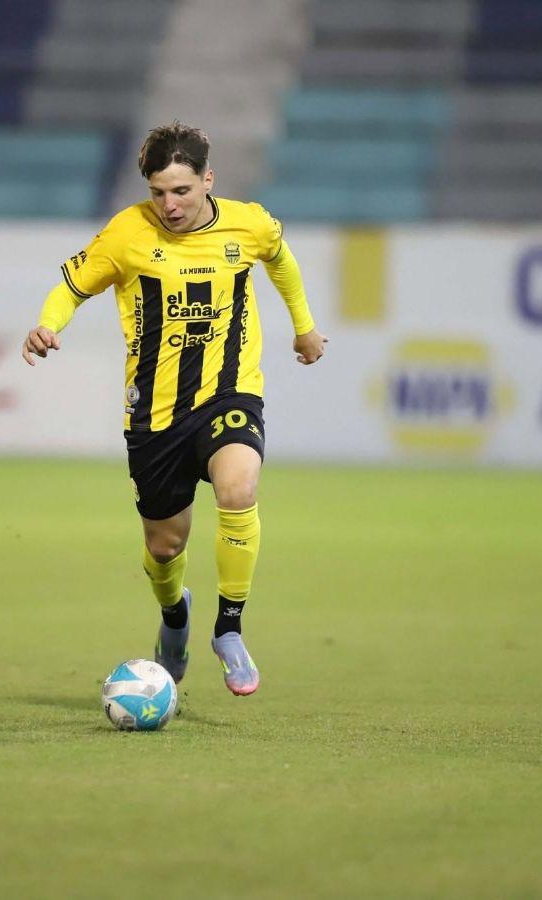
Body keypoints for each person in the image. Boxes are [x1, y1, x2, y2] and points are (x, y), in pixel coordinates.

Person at [22, 122, 327, 696]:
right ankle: (175, 615)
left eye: (182, 191)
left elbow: (281, 262)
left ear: (208, 180)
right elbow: (70, 287)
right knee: (166, 546)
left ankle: (229, 629)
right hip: (154, 414)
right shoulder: (126, 234)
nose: (169, 204)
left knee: (239, 487)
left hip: (229, 391)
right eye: (158, 191)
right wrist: (46, 324)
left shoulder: (249, 223)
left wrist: (305, 328)